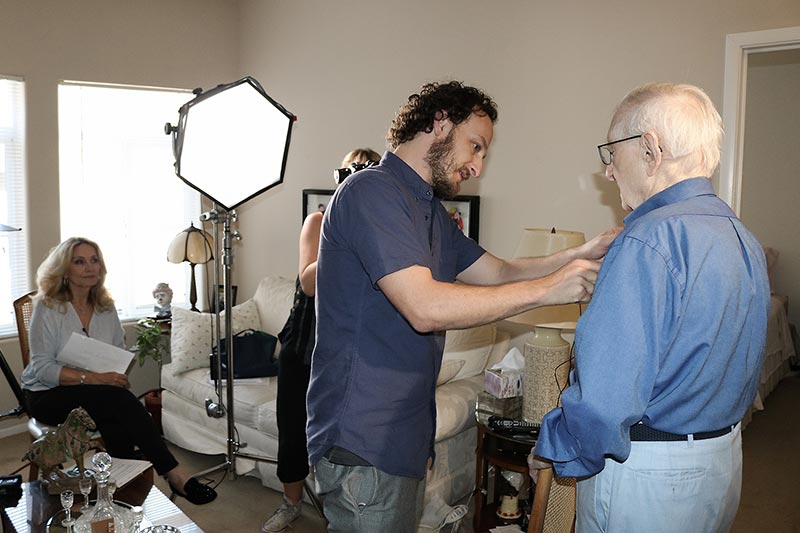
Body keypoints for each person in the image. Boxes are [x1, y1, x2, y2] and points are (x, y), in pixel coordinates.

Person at [305, 80, 620, 532]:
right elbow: (424, 307)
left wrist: (579, 254)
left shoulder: (429, 210)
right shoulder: (370, 192)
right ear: (439, 123)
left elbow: (500, 271)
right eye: (475, 146)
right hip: (362, 439)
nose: (477, 165)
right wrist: (552, 289)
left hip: (404, 437)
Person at [532, 83, 770, 532]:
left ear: (650, 149)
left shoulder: (647, 239)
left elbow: (606, 399)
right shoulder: (740, 236)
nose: (607, 171)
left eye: (610, 152)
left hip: (652, 475)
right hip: (722, 460)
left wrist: (556, 445)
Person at [20, 237, 217, 505]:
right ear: (65, 270)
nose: (90, 267)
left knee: (116, 409)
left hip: (95, 393)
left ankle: (121, 489)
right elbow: (41, 368)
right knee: (118, 403)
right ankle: (172, 473)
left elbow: (115, 353)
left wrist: (110, 376)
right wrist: (94, 378)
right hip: (47, 394)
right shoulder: (48, 306)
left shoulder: (105, 306)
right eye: (79, 261)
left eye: (94, 260)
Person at [260, 147, 381, 533]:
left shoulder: (381, 228)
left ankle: (345, 509)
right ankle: (290, 503)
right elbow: (309, 283)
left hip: (347, 347)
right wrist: (342, 230)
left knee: (342, 435)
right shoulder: (318, 222)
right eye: (348, 172)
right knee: (293, 426)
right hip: (304, 342)